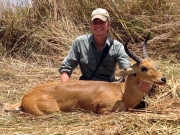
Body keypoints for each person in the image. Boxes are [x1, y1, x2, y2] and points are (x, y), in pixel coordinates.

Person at [58, 8, 151, 95]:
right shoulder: (79, 42)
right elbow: (66, 68)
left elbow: (127, 71)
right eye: (95, 22)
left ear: (109, 25)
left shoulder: (117, 46)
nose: (98, 25)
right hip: (86, 89)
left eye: (102, 22)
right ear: (91, 25)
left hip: (109, 90)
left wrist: (141, 84)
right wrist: (64, 91)